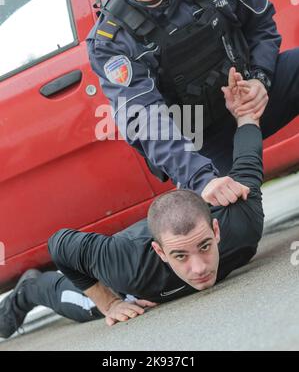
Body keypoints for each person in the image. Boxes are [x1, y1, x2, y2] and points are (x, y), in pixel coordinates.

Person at [0, 69, 264, 337]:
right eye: (180, 256)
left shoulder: (243, 222)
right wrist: (110, 302)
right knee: (79, 304)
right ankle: (25, 293)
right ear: (161, 252)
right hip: (124, 284)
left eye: (205, 246)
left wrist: (244, 113)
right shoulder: (126, 266)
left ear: (216, 231)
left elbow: (247, 158)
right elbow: (60, 245)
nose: (198, 268)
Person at [86, 0, 299, 206]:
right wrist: (203, 179)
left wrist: (261, 79)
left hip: (250, 97)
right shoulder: (111, 41)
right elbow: (145, 120)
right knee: (234, 230)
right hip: (199, 142)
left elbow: (261, 25)